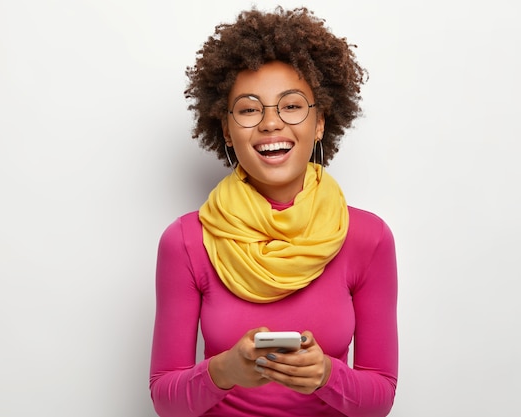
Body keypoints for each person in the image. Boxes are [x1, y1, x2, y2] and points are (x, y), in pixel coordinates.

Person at [149, 7, 398, 417]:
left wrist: (325, 376)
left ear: (320, 122)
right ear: (227, 129)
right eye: (249, 109)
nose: (270, 123)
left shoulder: (368, 239)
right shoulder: (186, 241)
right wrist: (223, 371)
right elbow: (165, 399)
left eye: (292, 106)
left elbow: (379, 398)